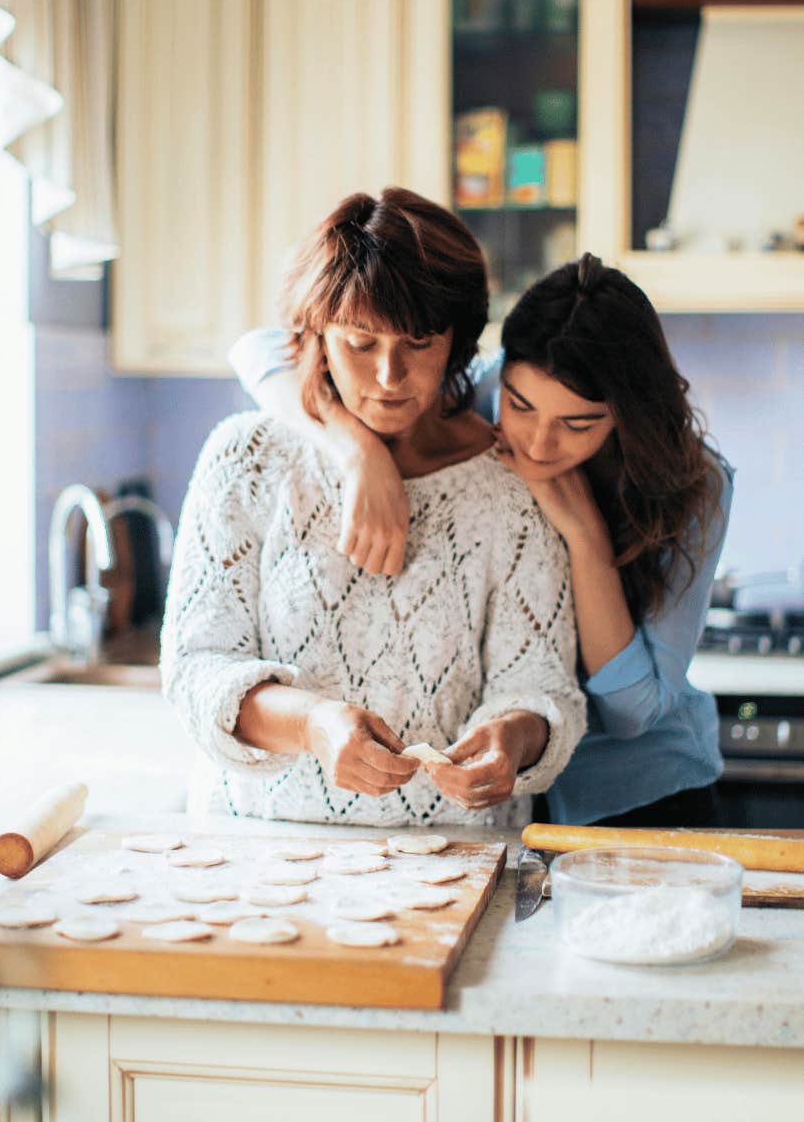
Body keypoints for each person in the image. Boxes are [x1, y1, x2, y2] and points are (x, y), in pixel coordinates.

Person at [230, 252, 733, 828]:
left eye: (579, 424)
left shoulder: (696, 484)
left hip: (634, 792)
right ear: (503, 372)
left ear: (625, 415)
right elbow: (261, 349)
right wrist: (358, 453)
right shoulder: (477, 391)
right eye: (520, 406)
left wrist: (586, 539)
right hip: (505, 801)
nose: (541, 443)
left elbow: (632, 712)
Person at [161, 187, 585, 826]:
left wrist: (513, 739)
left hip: (458, 858)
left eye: (419, 342)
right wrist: (312, 725)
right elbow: (196, 669)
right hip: (258, 855)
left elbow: (545, 687)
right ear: (317, 337)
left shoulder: (510, 487)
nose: (391, 376)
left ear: (458, 341)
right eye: (361, 342)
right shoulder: (246, 458)